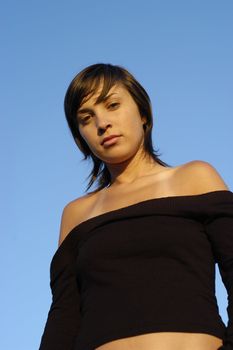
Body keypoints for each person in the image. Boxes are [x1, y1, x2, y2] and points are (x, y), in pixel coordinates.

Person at [38, 63, 233, 350]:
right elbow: (63, 319)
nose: (102, 123)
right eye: (86, 117)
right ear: (81, 137)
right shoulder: (76, 214)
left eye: (113, 105)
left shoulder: (195, 178)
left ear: (143, 113)